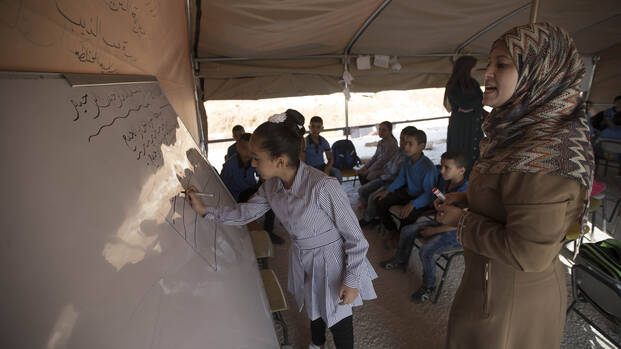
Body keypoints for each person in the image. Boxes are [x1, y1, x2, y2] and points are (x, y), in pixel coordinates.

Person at [435, 23, 593, 349]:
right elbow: (511, 196)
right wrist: (470, 199)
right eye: (488, 62)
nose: (487, 73)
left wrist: (460, 221)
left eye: (502, 64)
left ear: (541, 72)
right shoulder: (516, 134)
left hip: (511, 302)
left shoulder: (546, 155)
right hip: (491, 285)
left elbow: (529, 253)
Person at [186, 109, 377, 349]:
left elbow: (357, 240)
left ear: (280, 161)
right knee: (313, 304)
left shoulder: (322, 187)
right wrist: (206, 211)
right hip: (303, 256)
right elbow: (244, 213)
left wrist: (351, 280)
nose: (252, 163)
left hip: (332, 261)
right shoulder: (271, 187)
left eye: (257, 158)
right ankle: (317, 344)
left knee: (338, 317)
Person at [379, 151, 469, 304]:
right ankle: (400, 260)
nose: (441, 171)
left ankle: (429, 286)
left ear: (461, 171)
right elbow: (438, 195)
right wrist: (437, 203)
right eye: (442, 166)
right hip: (440, 219)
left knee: (426, 250)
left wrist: (435, 230)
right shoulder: (444, 180)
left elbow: (464, 223)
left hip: (455, 231)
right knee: (407, 230)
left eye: (447, 168)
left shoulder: (467, 191)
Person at [220, 132, 282, 244]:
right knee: (247, 208)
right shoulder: (229, 165)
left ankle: (269, 232)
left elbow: (263, 178)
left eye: (250, 149)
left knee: (270, 198)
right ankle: (246, 234)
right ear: (238, 147)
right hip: (236, 195)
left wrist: (267, 189)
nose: (248, 153)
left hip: (250, 190)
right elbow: (222, 185)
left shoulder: (255, 161)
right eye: (244, 148)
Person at [373, 129, 438, 234]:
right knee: (380, 201)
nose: (405, 147)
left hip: (423, 199)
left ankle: (401, 235)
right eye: (405, 142)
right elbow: (401, 179)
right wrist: (388, 191)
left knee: (407, 214)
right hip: (409, 194)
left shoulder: (428, 168)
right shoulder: (408, 159)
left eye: (410, 144)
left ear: (421, 146)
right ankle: (392, 230)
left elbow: (429, 194)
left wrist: (413, 204)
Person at [358, 126, 413, 228]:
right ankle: (370, 214)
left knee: (372, 197)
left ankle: (370, 218)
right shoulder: (397, 150)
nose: (402, 143)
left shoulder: (407, 157)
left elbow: (396, 175)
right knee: (362, 190)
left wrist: (371, 171)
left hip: (392, 182)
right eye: (401, 139)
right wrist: (368, 168)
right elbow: (384, 163)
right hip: (385, 177)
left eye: (407, 142)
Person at [444, 55, 484, 175]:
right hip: (460, 125)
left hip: (474, 123)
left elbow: (481, 100)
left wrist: (472, 105)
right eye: (473, 67)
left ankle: (472, 177)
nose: (475, 69)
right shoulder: (453, 84)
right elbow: (466, 104)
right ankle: (461, 179)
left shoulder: (473, 83)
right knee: (461, 153)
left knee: (475, 151)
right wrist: (472, 105)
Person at [357, 121, 398, 185]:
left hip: (387, 168)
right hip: (379, 166)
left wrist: (368, 170)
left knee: (369, 175)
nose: (381, 132)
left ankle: (368, 193)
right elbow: (375, 157)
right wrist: (365, 167)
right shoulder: (381, 142)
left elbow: (382, 161)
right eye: (380, 129)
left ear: (390, 131)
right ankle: (364, 192)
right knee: (360, 172)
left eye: (384, 130)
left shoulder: (391, 144)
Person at [304, 116, 343, 182]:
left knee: (337, 173)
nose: (315, 129)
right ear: (309, 127)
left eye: (318, 127)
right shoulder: (304, 142)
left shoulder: (323, 141)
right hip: (309, 168)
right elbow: (302, 161)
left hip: (322, 166)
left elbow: (330, 159)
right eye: (313, 126)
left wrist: (327, 169)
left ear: (322, 128)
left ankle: (334, 191)